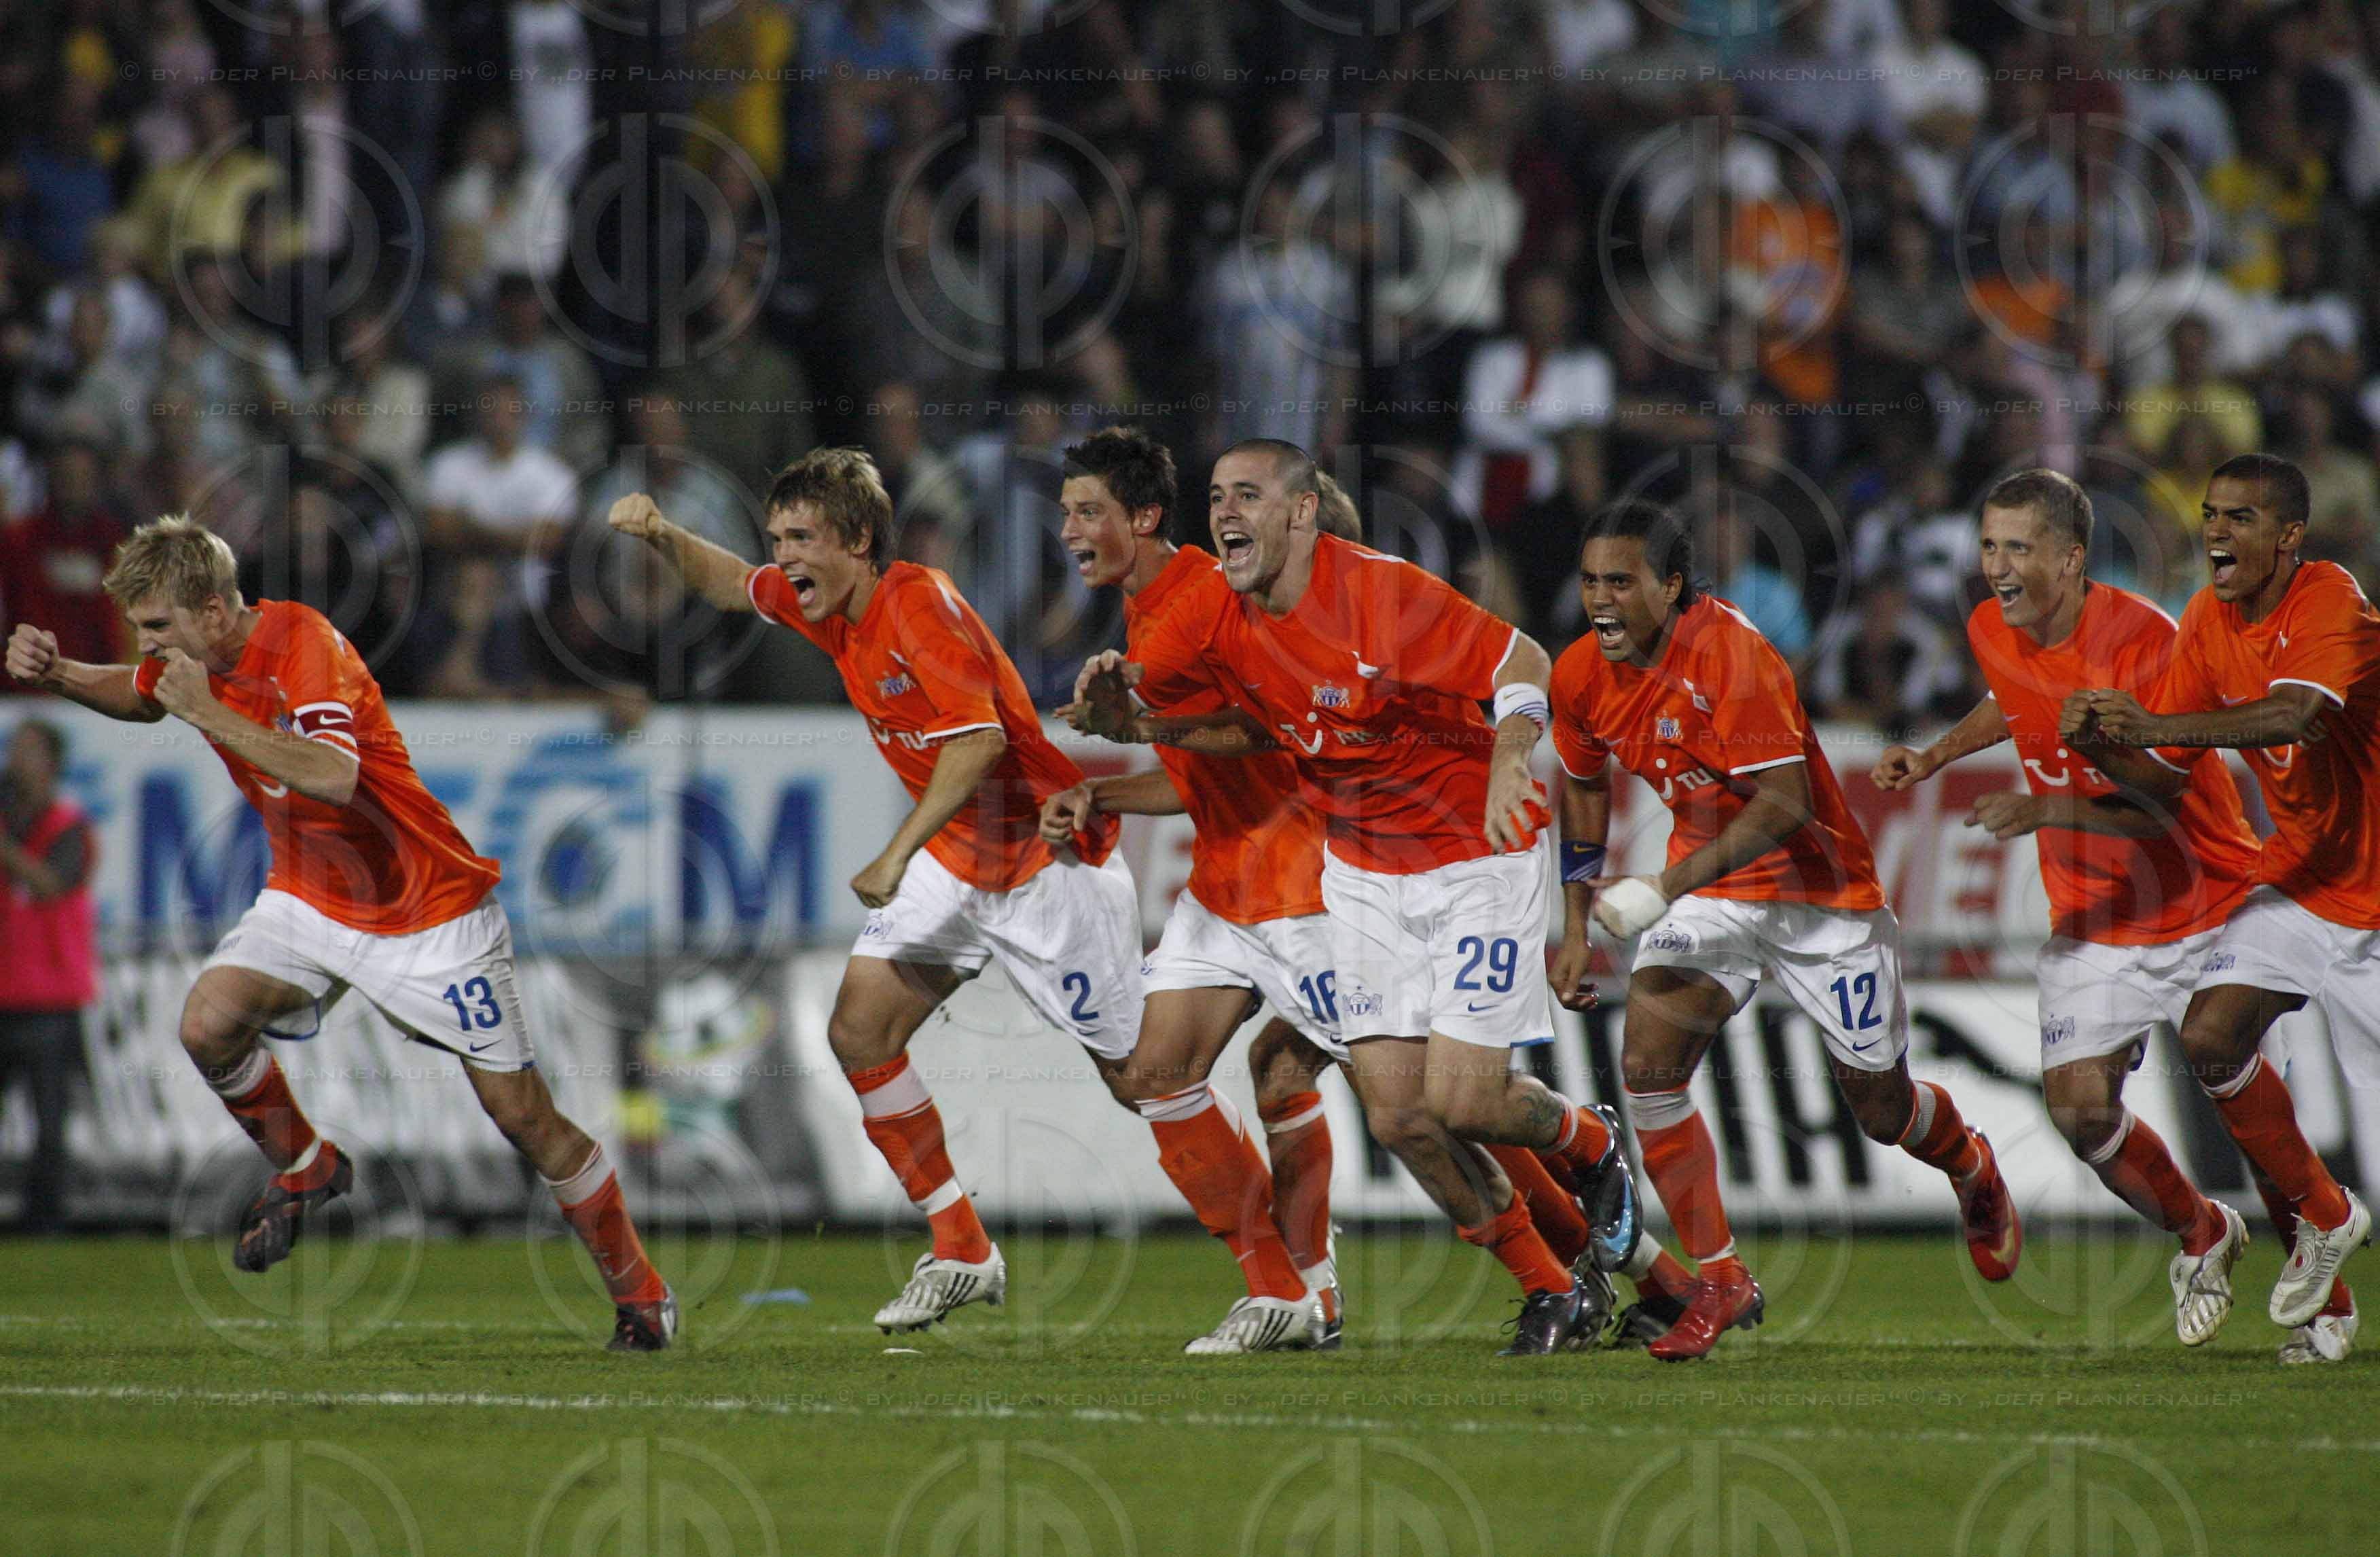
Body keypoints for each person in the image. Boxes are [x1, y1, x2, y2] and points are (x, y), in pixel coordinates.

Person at [3, 518, 677, 1348]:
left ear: (215, 612)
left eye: (157, 629)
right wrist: (61, 671)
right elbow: (142, 696)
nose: (147, 648)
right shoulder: (197, 663)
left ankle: (641, 1294)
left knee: (524, 1118)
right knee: (208, 1023)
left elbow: (332, 774)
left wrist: (208, 715)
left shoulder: (303, 644)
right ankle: (307, 1165)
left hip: (431, 914)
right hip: (312, 901)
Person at [1041, 433, 1640, 1352]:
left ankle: (1587, 1261)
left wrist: (1511, 756)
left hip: (1332, 879)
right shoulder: (1186, 615)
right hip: (1260, 882)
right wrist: (1126, 743)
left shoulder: (1219, 597)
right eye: (1068, 512)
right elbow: (1231, 741)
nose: (1070, 529)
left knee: (1444, 1101)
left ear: (1142, 519)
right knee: (1197, 1078)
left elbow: (1494, 667)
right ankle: (1295, 1290)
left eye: (1089, 512)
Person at [606, 450, 1144, 1335]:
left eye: (802, 539)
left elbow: (974, 749)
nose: (782, 558)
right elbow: (731, 583)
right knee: (859, 1031)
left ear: (857, 540)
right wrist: (664, 535)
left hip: (1047, 859)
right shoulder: (832, 611)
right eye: (778, 538)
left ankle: (1291, 1263)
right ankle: (963, 1247)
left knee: (1144, 1078)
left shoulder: (919, 602)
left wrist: (896, 854)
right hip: (960, 862)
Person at [1549, 498, 2019, 1361]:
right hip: (1714, 892)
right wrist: (1577, 919)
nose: (1600, 600)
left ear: (1674, 585)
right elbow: (1580, 787)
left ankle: (1970, 1167)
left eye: (1622, 581)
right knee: (1649, 1065)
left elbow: (1785, 802)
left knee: (1882, 1108)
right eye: (1589, 581)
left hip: (1820, 897)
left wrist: (1659, 886)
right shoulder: (1579, 674)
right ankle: (1720, 1279)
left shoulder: (1733, 655)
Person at [1873, 468, 2284, 1350]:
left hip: (2203, 893)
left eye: (2018, 548)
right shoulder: (1993, 627)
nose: (1997, 567)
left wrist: (2041, 809)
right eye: (1989, 546)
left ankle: (2322, 1279)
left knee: (2241, 1084)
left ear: (2069, 555)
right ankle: (2202, 1232)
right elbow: (2015, 701)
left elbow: (2161, 807)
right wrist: (1936, 756)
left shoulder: (2145, 642)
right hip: (2096, 915)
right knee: (2079, 1114)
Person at [2061, 453, 2379, 1363]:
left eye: (2240, 518)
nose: (2214, 534)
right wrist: (2101, 743)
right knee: (2210, 1039)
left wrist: (2147, 724)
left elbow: (2292, 718)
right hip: (2304, 880)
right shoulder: (2206, 618)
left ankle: (2327, 1268)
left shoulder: (2329, 599)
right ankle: (2325, 1218)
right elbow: (2162, 778)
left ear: (2289, 536)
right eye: (2209, 515)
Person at [0, 719, 94, 1232]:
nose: (16, 758)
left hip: (51, 999)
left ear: (53, 764)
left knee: (51, 1121)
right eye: (14, 748)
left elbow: (49, 886)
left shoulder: (70, 827)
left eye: (28, 750)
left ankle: (46, 1219)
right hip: (4, 992)